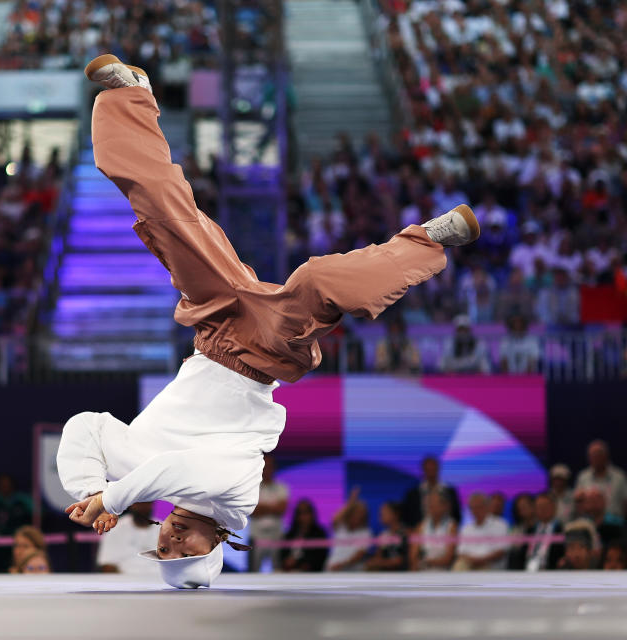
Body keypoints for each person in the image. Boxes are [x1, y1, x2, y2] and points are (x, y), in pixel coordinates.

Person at [57, 54, 480, 590]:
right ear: (217, 547)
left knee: (164, 213)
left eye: (163, 547)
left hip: (211, 327)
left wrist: (88, 487)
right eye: (185, 551)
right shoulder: (235, 497)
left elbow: (85, 428)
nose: (172, 540)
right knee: (319, 283)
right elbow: (170, 474)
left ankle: (131, 94)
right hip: (262, 352)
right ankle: (425, 241)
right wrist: (109, 498)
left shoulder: (136, 473)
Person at [248, 454, 289, 572]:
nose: (267, 469)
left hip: (277, 536)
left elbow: (281, 509)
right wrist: (272, 506)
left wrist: (261, 507)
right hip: (256, 536)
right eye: (264, 466)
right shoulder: (252, 488)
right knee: (253, 571)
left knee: (278, 569)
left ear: (274, 468)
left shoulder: (282, 487)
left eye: (269, 466)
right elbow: (252, 511)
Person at [96, 502, 159, 575]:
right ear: (131, 504)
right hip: (125, 582)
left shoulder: (165, 529)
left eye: (146, 503)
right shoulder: (115, 529)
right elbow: (107, 565)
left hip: (160, 581)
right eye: (139, 503)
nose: (142, 507)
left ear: (152, 504)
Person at [453, 493, 509, 571]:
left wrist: (482, 560)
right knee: (459, 565)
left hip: (490, 564)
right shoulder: (466, 528)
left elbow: (501, 551)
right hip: (469, 564)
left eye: (479, 507)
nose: (476, 511)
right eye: (473, 508)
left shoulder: (500, 524)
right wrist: (473, 560)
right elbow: (461, 552)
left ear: (487, 507)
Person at [401, 456, 462, 528]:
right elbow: (406, 517)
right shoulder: (412, 494)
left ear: (438, 469)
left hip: (445, 532)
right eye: (428, 469)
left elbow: (457, 515)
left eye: (433, 469)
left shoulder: (450, 491)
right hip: (418, 534)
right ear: (423, 470)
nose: (431, 472)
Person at [575, 440, 627, 518]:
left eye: (598, 455)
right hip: (589, 523)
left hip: (615, 523)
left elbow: (625, 502)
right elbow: (578, 503)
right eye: (592, 455)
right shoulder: (583, 477)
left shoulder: (619, 477)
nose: (595, 458)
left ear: (606, 456)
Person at [325, 489, 373, 572]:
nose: (359, 516)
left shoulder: (366, 532)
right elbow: (334, 519)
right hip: (332, 567)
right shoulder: (341, 527)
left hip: (352, 571)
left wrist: (342, 565)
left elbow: (360, 554)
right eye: (356, 512)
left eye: (362, 513)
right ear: (350, 513)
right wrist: (350, 503)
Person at [409, 490, 457, 572]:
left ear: (444, 506)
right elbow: (413, 555)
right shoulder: (421, 526)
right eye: (429, 503)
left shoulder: (452, 526)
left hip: (444, 571)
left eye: (434, 503)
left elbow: (449, 558)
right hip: (423, 570)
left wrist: (428, 562)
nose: (430, 506)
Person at [279, 499, 328, 572]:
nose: (303, 517)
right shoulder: (290, 534)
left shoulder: (319, 534)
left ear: (312, 514)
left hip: (309, 573)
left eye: (306, 513)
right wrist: (287, 562)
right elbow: (282, 555)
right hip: (288, 571)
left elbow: (318, 558)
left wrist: (297, 562)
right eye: (300, 513)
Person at [521, 493, 565, 572]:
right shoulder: (530, 530)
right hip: (527, 572)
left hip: (550, 572)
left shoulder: (561, 530)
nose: (542, 509)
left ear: (554, 508)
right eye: (539, 507)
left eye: (545, 506)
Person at [366, 502, 408, 572]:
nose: (381, 515)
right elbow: (378, 556)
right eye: (380, 513)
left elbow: (400, 561)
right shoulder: (383, 535)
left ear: (396, 514)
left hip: (403, 574)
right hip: (385, 574)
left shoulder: (405, 533)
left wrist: (380, 563)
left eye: (385, 512)